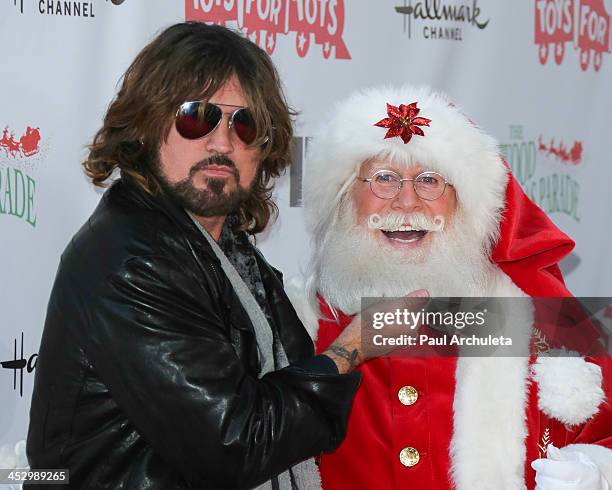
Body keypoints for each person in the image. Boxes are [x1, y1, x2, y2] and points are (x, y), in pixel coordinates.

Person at [25, 22, 379, 490]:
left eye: (245, 123)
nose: (221, 142)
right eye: (197, 117)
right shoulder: (134, 262)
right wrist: (352, 348)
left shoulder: (221, 248)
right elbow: (236, 443)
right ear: (147, 127)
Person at [289, 85, 612, 489]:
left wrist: (596, 471)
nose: (407, 203)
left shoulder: (540, 316)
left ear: (465, 204)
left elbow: (603, 432)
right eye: (383, 179)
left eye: (430, 181)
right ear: (344, 198)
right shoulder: (299, 315)